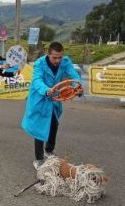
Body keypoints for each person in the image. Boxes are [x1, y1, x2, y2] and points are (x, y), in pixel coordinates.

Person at [22, 42, 82, 170]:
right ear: (48, 54)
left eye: (60, 57)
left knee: (54, 124)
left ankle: (48, 151)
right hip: (40, 97)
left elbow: (74, 76)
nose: (57, 60)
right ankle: (38, 159)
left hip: (55, 98)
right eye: (54, 57)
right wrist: (46, 90)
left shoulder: (65, 62)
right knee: (40, 128)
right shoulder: (39, 64)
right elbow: (37, 80)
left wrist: (77, 87)